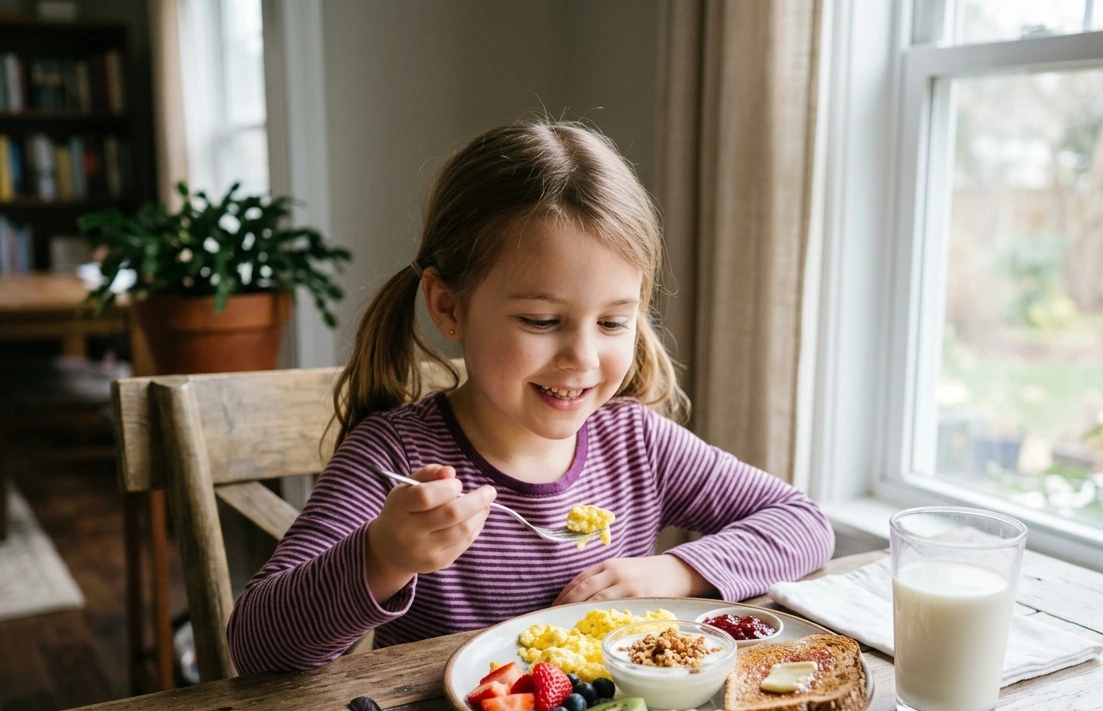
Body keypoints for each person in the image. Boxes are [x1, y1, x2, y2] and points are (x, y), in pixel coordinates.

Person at [227, 119, 834, 675]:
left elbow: (804, 525)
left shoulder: (636, 443)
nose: (583, 358)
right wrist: (383, 557)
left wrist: (674, 572)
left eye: (614, 322)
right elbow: (255, 643)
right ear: (449, 307)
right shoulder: (394, 460)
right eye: (542, 321)